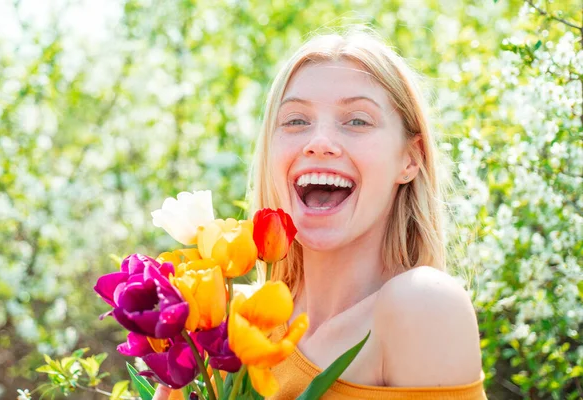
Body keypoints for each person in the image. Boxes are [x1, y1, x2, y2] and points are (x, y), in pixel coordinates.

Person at [154, 27, 487, 399]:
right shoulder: (224, 320)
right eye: (296, 120)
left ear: (410, 159)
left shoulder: (422, 304)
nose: (319, 143)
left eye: (357, 120)